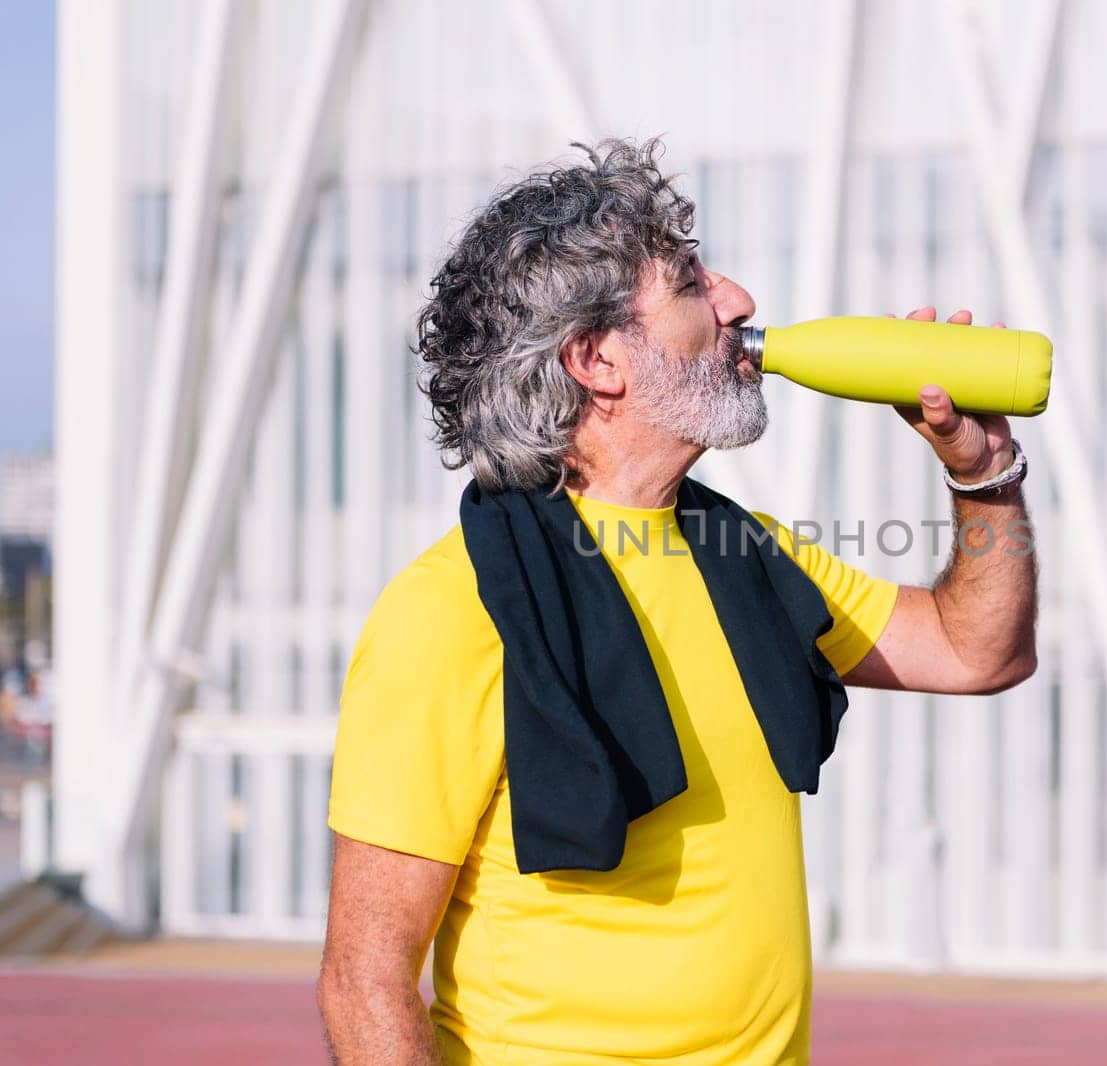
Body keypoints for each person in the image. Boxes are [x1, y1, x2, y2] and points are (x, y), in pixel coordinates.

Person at [317, 138, 1038, 1065]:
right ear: (596, 360)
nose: (737, 301)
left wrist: (985, 477)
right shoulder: (451, 613)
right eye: (691, 284)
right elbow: (364, 981)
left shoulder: (749, 556)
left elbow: (979, 652)